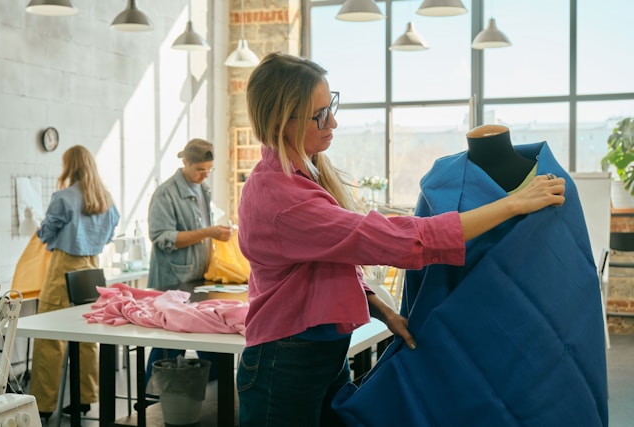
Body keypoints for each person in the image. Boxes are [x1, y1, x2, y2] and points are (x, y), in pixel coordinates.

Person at [235, 52, 566, 427]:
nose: (334, 122)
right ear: (282, 121)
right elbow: (398, 239)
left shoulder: (303, 173)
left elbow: (330, 255)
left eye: (332, 107)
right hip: (286, 360)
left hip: (321, 353)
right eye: (320, 115)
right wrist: (512, 204)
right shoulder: (282, 198)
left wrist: (382, 309)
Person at [333, 127, 608, 426]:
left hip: (538, 346)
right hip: (465, 341)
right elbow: (426, 275)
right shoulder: (439, 190)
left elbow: (572, 276)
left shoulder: (554, 185)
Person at [29, 145, 120, 422]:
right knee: (88, 337)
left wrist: (40, 228)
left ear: (69, 166)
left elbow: (46, 234)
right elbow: (109, 235)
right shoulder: (106, 198)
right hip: (92, 269)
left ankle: (43, 405)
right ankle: (83, 400)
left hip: (63, 268)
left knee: (49, 338)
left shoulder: (63, 197)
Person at [144, 138, 232, 401]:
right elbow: (161, 237)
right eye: (199, 170)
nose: (204, 175)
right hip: (172, 281)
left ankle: (213, 396)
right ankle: (152, 397)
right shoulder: (165, 194)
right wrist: (209, 232)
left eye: (209, 170)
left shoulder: (202, 190)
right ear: (185, 163)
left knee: (210, 338)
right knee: (170, 345)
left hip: (197, 280)